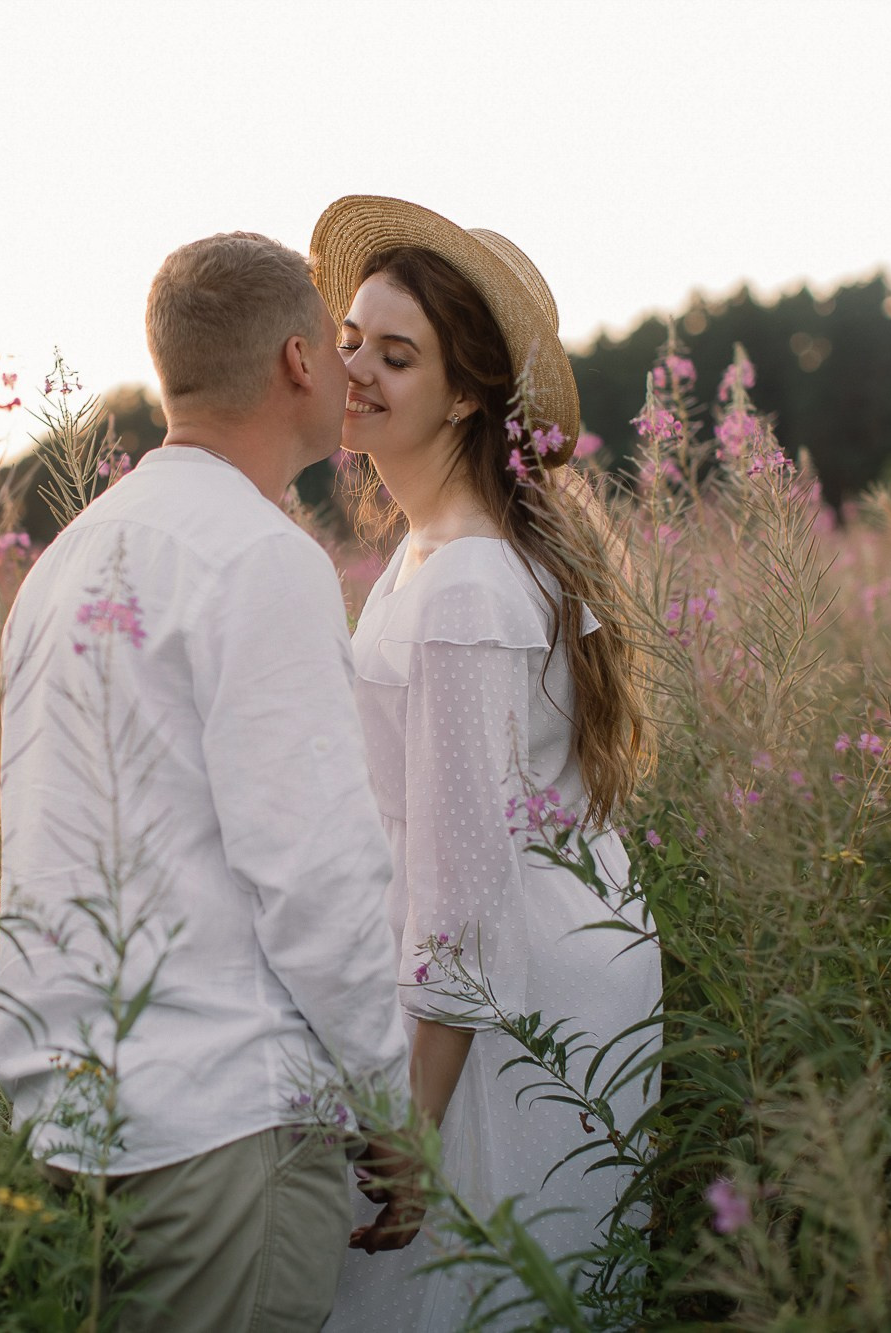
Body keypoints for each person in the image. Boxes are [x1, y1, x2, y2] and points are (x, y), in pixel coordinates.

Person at [0, 230, 414, 1332]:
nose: (349, 371)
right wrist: (390, 1105)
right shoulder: (259, 558)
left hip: (71, 1121)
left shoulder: (63, 563)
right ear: (294, 361)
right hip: (221, 1131)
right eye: (337, 344)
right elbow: (316, 871)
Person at [311, 197, 661, 1330]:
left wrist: (411, 1125)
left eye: (394, 354)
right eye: (350, 338)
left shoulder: (462, 582)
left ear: (466, 394)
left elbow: (462, 881)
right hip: (531, 967)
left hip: (498, 1011)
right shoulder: (439, 550)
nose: (353, 366)